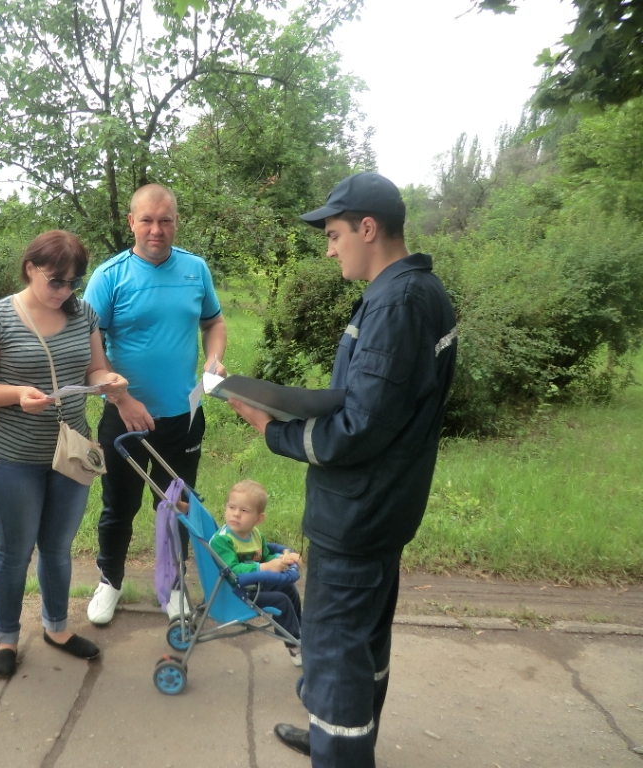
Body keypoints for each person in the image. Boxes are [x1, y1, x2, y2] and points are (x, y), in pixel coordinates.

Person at [228, 172, 458, 767]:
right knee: (362, 647)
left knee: (334, 656)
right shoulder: (419, 291)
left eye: (334, 235)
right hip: (383, 507)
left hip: (356, 515)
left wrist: (271, 428)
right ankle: (336, 733)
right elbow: (381, 406)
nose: (330, 250)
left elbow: (358, 428)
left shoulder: (397, 303)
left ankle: (338, 743)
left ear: (368, 228)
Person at [0, 230, 129, 678]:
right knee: (14, 551)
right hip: (12, 458)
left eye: (73, 282)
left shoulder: (83, 313)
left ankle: (57, 627)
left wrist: (109, 381)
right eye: (56, 280)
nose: (64, 291)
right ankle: (7, 637)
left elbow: (95, 367)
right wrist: (17, 394)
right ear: (31, 268)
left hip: (71, 453)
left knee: (57, 548)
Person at [84, 183, 228, 626]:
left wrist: (214, 360)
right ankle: (110, 582)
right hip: (124, 417)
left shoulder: (195, 269)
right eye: (146, 220)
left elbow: (214, 322)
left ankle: (173, 585)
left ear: (176, 222)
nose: (156, 230)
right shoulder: (109, 276)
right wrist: (122, 398)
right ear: (132, 222)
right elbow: (90, 348)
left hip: (183, 417)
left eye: (165, 220)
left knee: (177, 505)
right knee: (118, 506)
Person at [209, 479, 302, 666]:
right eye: (232, 507)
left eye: (244, 510)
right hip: (237, 593)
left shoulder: (255, 535)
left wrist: (284, 558)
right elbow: (233, 571)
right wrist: (266, 567)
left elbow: (265, 557)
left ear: (258, 519)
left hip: (254, 585)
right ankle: (294, 645)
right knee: (281, 601)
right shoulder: (223, 541)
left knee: (289, 588)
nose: (236, 514)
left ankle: (299, 631)